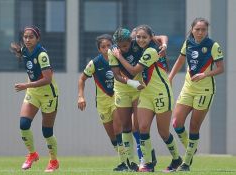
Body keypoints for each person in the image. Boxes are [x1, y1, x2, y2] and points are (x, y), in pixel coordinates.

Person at [112, 25, 182, 172]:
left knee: (163, 132)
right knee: (142, 128)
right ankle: (148, 164)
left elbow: (134, 70)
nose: (141, 40)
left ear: (151, 38)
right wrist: (164, 43)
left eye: (144, 37)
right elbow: (163, 37)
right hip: (145, 93)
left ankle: (176, 159)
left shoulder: (150, 51)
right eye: (138, 37)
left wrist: (119, 56)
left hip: (161, 93)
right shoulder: (138, 45)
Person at [169, 18, 224, 171]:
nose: (200, 32)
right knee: (176, 122)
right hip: (188, 88)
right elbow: (180, 61)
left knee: (194, 126)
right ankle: (191, 149)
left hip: (205, 90)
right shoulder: (187, 43)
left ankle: (186, 163)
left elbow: (221, 68)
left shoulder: (213, 45)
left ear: (207, 31)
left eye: (203, 30)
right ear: (192, 29)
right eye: (197, 29)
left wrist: (205, 75)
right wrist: (170, 77)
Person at [10, 25, 60, 173]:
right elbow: (24, 55)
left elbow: (47, 79)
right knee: (24, 124)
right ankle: (32, 154)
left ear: (38, 38)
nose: (27, 39)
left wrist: (26, 85)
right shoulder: (25, 50)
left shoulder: (42, 55)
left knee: (47, 131)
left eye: (31, 37)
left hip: (48, 95)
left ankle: (53, 161)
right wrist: (17, 50)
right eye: (25, 37)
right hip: (33, 92)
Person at [77, 34, 128, 171]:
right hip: (102, 102)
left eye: (109, 45)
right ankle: (126, 159)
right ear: (99, 49)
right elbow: (82, 79)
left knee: (118, 129)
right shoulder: (95, 63)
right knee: (112, 136)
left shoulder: (119, 58)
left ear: (113, 45)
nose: (106, 49)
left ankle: (125, 163)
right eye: (103, 47)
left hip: (117, 97)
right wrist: (81, 96)